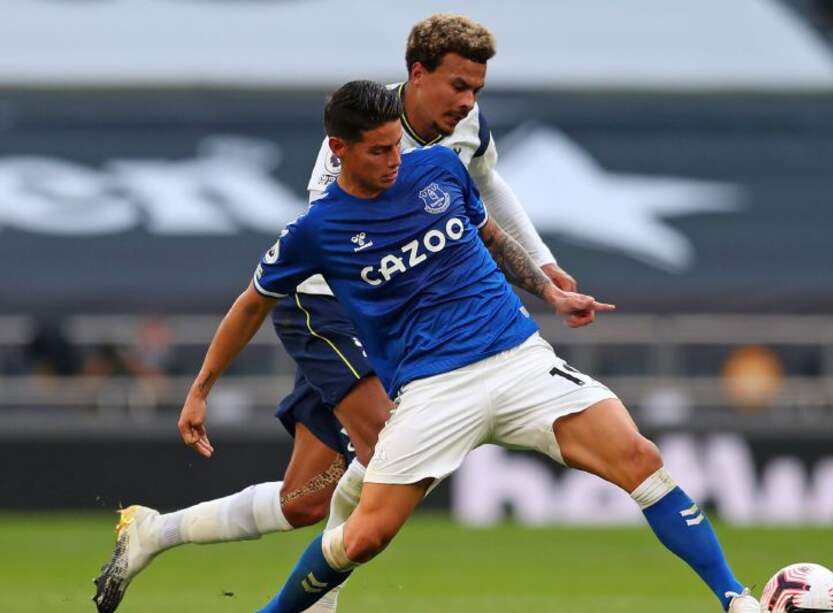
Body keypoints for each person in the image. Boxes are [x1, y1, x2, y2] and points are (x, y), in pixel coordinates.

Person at [92, 14, 574, 613]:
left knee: (307, 501)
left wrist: (543, 264)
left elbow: (489, 184)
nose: (468, 100)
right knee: (391, 452)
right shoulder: (352, 140)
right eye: (458, 86)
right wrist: (202, 387)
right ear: (417, 76)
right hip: (332, 307)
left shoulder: (466, 130)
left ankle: (153, 532)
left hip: (389, 313)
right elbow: (335, 241)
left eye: (476, 88)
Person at [236, 81, 761, 612]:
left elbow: (492, 233)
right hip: (433, 390)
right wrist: (202, 387)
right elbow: (252, 301)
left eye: (397, 145)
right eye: (380, 149)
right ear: (341, 148)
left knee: (639, 457)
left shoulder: (441, 168)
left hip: (518, 362)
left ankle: (736, 598)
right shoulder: (318, 226)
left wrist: (550, 288)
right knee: (363, 538)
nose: (395, 158)